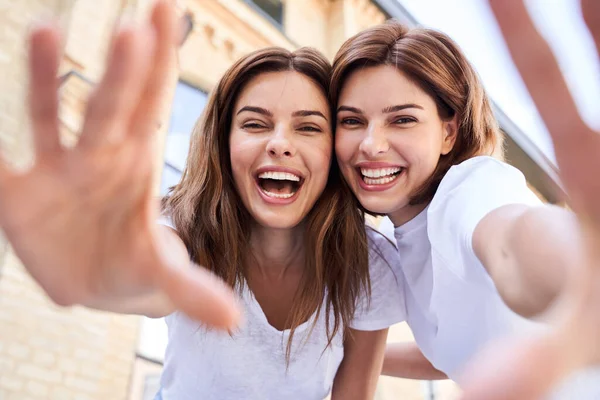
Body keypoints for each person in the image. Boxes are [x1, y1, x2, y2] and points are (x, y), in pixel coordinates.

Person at [0, 1, 429, 399]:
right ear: (223, 145)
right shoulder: (183, 227)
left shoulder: (370, 267)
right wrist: (97, 268)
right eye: (255, 124)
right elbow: (154, 276)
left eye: (309, 127)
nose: (280, 143)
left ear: (333, 154)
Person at [330, 0, 600, 397]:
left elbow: (514, 242)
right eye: (352, 121)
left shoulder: (469, 190)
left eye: (402, 119)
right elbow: (452, 353)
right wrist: (333, 350)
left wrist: (577, 258)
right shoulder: (400, 245)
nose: (370, 144)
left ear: (449, 133)